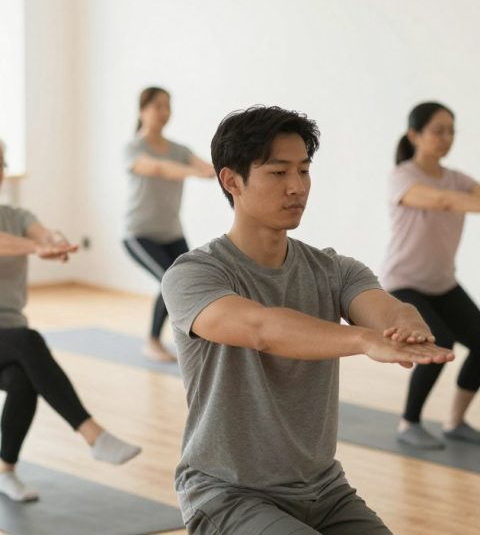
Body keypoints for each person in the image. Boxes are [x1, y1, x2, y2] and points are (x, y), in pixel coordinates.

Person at [161, 106, 454, 534]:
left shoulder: (334, 269)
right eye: (278, 173)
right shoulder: (194, 274)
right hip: (228, 494)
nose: (297, 187)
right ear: (231, 181)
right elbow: (261, 329)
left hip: (326, 491)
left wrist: (405, 323)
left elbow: (382, 307)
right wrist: (363, 340)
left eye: (304, 170)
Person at [0, 130, 141, 503]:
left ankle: (5, 472)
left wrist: (53, 241)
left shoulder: (16, 216)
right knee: (28, 341)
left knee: (22, 379)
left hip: (8, 337)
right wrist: (34, 247)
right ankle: (92, 434)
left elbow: (42, 232)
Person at [380, 102, 480, 450]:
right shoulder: (402, 177)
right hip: (403, 282)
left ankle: (455, 422)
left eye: (451, 131)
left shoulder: (458, 179)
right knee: (440, 341)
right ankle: (409, 423)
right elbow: (441, 201)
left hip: (442, 283)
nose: (446, 137)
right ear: (414, 135)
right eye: (438, 130)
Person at [122, 87, 214, 362]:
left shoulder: (179, 150)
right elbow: (158, 168)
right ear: (143, 111)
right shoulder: (133, 148)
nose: (164, 112)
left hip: (172, 232)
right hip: (139, 233)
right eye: (158, 106)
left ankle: (195, 340)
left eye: (167, 106)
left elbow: (209, 168)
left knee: (190, 280)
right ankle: (152, 342)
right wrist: (193, 172)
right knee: (169, 281)